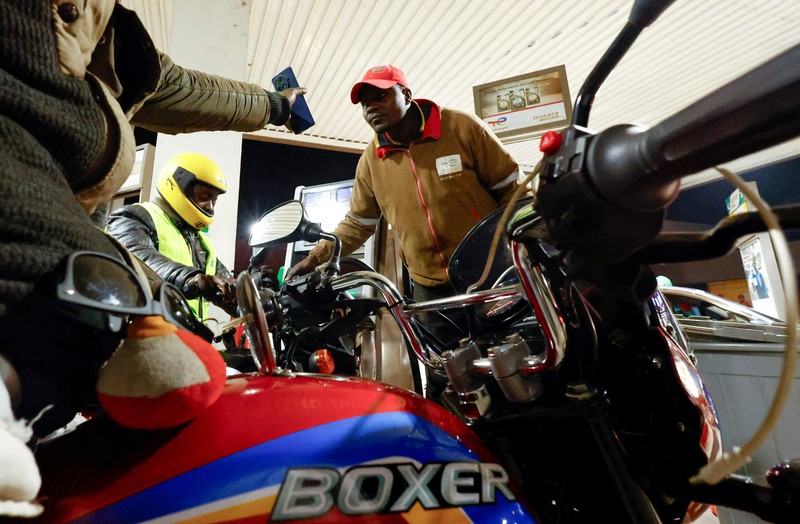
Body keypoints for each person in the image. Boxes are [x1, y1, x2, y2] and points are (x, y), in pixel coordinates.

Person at [0, 0, 304, 515]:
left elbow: (175, 87)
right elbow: (142, 258)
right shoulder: (138, 217)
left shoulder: (101, 35)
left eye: (214, 197)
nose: (207, 204)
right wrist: (183, 284)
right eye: (201, 194)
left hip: (142, 338)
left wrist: (272, 106)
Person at [287, 64, 522, 302]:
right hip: (428, 287)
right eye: (365, 103)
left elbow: (512, 189)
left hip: (491, 273)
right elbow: (358, 223)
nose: (372, 107)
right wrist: (314, 259)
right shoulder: (370, 162)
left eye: (381, 96)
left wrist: (521, 246)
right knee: (433, 341)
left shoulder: (460, 127)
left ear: (407, 95)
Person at [107, 152, 237, 320]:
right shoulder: (133, 217)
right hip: (142, 335)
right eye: (204, 196)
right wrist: (192, 277)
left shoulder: (202, 243)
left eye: (214, 201)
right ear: (178, 185)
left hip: (188, 338)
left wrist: (252, 296)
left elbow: (227, 284)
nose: (210, 207)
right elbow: (138, 259)